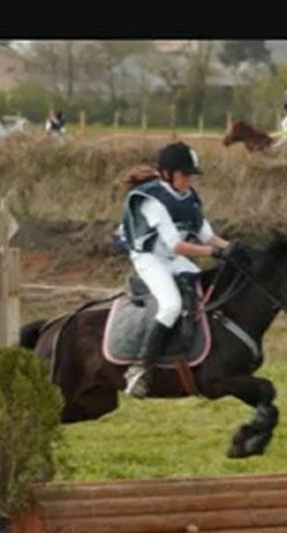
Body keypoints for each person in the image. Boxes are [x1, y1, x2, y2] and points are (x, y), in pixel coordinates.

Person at [115, 142, 231, 398]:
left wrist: (235, 249)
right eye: (185, 174)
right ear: (167, 173)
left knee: (202, 292)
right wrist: (215, 253)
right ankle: (139, 369)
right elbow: (177, 245)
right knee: (171, 305)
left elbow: (208, 237)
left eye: (191, 175)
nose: (189, 180)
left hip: (171, 258)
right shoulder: (152, 199)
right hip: (150, 258)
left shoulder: (188, 197)